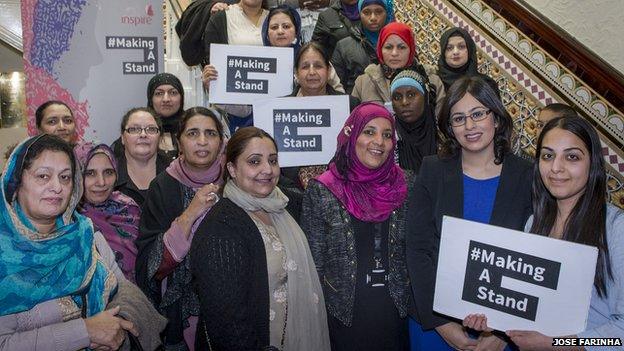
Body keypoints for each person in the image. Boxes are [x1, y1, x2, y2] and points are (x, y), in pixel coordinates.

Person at [464, 116, 624, 350]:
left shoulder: (616, 228)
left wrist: (561, 344)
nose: (556, 168)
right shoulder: (534, 224)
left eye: (572, 157)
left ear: (593, 164)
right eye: (548, 156)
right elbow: (529, 307)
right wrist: (495, 321)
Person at [0, 134, 165, 350]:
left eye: (66, 177)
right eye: (43, 176)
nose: (57, 187)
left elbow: (123, 290)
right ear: (16, 182)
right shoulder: (5, 252)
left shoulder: (85, 235)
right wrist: (85, 332)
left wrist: (116, 329)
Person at [406, 76, 533, 351]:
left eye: (478, 114)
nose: (470, 126)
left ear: (496, 118)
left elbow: (531, 259)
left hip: (505, 329)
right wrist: (443, 324)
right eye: (459, 118)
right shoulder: (432, 170)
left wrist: (500, 334)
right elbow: (417, 250)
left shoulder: (527, 176)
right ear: (450, 128)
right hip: (435, 327)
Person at [190, 126, 330, 350]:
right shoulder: (221, 228)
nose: (267, 169)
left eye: (272, 160)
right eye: (254, 161)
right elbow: (227, 322)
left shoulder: (287, 206)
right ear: (232, 169)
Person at [302, 102, 413, 350]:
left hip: (395, 314)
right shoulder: (323, 189)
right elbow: (315, 263)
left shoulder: (406, 184)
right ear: (352, 135)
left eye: (387, 135)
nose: (379, 141)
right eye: (369, 131)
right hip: (343, 316)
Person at [136, 107, 225, 350]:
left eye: (210, 133)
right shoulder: (163, 186)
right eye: (193, 134)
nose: (202, 141)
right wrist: (191, 212)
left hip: (231, 306)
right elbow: (149, 265)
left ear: (221, 141)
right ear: (179, 142)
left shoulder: (235, 179)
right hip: (181, 312)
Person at [282, 42, 360, 189]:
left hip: (344, 188)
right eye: (305, 67)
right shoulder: (280, 108)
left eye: (318, 66)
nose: (312, 72)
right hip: (292, 191)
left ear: (329, 70)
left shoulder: (350, 106)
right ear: (296, 73)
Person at [75, 142, 141, 283]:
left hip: (135, 297)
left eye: (108, 172)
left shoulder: (129, 208)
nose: (101, 182)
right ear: (76, 176)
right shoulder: (70, 217)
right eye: (90, 173)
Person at [352, 22, 444, 114]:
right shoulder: (363, 83)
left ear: (411, 50)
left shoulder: (431, 81)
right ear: (380, 49)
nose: (394, 53)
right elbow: (353, 123)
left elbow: (439, 122)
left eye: (402, 47)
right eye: (388, 47)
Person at [262, 5, 344, 93]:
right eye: (274, 27)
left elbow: (339, 93)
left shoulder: (312, 56)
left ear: (296, 31)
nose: (280, 31)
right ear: (267, 33)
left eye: (286, 26)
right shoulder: (257, 61)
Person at [114, 107, 169, 207]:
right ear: (122, 137)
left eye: (151, 129)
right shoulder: (109, 176)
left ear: (160, 138)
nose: (143, 135)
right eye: (134, 129)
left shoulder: (175, 174)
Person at [331, 0, 389, 94]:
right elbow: (336, 87)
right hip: (356, 105)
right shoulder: (344, 46)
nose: (373, 18)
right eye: (367, 12)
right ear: (359, 14)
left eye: (378, 12)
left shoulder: (398, 44)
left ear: (387, 13)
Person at [390, 69, 437, 172]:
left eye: (411, 95)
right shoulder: (388, 137)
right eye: (397, 97)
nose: (404, 102)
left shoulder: (443, 133)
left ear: (425, 97)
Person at [437, 27, 499, 96]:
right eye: (449, 48)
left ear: (469, 50)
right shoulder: (435, 82)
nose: (455, 52)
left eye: (461, 46)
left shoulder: (487, 85)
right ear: (443, 53)